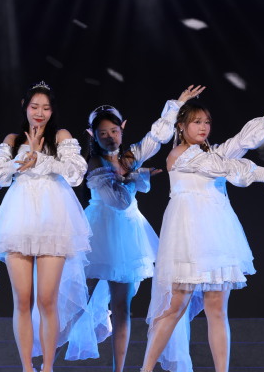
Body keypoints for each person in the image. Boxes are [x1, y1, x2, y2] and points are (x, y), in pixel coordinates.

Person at [139, 98, 264, 372]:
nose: (203, 127)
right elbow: (226, 167)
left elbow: (239, 142)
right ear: (181, 126)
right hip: (188, 236)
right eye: (196, 122)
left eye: (206, 122)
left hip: (216, 235)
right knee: (174, 307)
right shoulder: (181, 154)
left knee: (217, 309)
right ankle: (145, 369)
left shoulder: (212, 154)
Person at [71, 85, 204, 372]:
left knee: (123, 307)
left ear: (123, 128)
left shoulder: (129, 157)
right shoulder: (94, 162)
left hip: (128, 235)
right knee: (76, 301)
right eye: (103, 133)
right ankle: (45, 361)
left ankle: (118, 369)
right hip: (98, 232)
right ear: (92, 134)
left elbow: (155, 138)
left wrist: (177, 104)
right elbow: (117, 200)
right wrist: (135, 177)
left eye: (114, 130)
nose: (110, 137)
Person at [0, 81, 93, 372]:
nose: (40, 113)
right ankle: (26, 367)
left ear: (52, 110)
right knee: (22, 300)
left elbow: (76, 174)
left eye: (45, 108)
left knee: (47, 300)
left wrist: (40, 159)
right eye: (35, 107)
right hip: (18, 218)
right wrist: (22, 161)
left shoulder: (61, 136)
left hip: (53, 218)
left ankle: (47, 367)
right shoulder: (12, 139)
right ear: (25, 106)